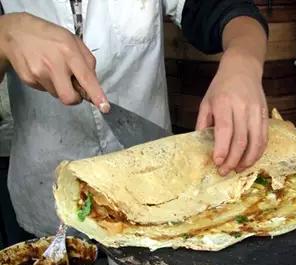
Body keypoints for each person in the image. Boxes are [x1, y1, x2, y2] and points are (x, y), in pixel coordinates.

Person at [0, 1, 269, 238]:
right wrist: (6, 35)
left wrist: (243, 62)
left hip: (160, 202)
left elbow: (227, 9)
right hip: (47, 207)